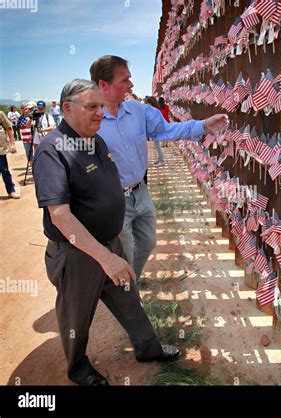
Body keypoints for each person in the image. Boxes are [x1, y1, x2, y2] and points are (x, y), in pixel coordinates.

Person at [33, 79, 181, 386]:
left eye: (101, 105)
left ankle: (148, 349)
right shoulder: (53, 151)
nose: (101, 113)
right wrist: (105, 257)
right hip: (78, 253)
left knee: (128, 298)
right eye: (92, 107)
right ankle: (78, 368)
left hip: (108, 245)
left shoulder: (95, 139)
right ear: (67, 109)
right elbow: (60, 215)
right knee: (77, 315)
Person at [90, 55, 229, 282]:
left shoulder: (138, 111)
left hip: (140, 192)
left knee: (147, 242)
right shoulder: (90, 119)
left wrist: (203, 125)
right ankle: (128, 296)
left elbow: (167, 130)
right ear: (103, 84)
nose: (131, 85)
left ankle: (130, 281)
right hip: (114, 200)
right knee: (125, 250)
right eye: (124, 80)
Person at [0, 110, 20, 198]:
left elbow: (9, 128)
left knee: (4, 170)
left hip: (0, 149)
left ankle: (11, 190)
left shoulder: (0, 114)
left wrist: (12, 143)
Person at [144, 96, 165, 167]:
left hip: (157, 130)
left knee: (158, 146)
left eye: (148, 103)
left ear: (151, 103)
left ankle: (161, 160)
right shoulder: (153, 110)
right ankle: (159, 158)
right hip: (155, 130)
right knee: (156, 145)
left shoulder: (155, 111)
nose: (146, 104)